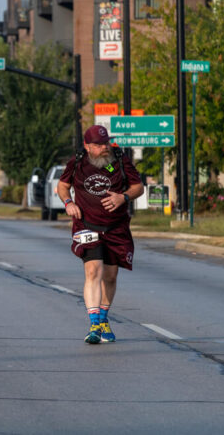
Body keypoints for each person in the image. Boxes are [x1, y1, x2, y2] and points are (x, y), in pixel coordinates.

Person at [56, 124, 144, 345]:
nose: (105, 148)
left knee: (111, 276)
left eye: (106, 143)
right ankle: (94, 324)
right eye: (99, 144)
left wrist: (123, 197)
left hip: (116, 227)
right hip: (87, 224)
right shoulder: (77, 163)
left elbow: (138, 187)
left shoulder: (121, 161)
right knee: (93, 270)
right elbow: (62, 186)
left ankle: (103, 319)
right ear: (87, 146)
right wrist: (68, 203)